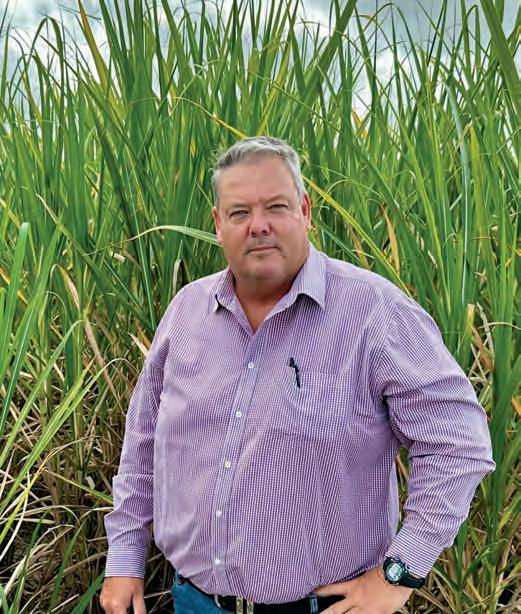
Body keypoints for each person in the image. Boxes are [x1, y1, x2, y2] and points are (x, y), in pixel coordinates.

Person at [100, 136, 495, 614]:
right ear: (218, 225)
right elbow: (144, 440)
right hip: (195, 601)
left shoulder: (376, 314)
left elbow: (458, 444)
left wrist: (401, 570)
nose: (259, 226)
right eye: (240, 212)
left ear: (305, 211)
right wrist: (125, 558)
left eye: (276, 207)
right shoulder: (186, 312)